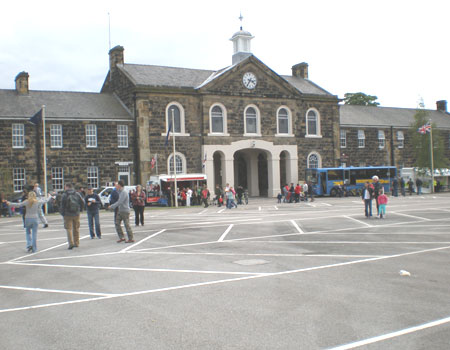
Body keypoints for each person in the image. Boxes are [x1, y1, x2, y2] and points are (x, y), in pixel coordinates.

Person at [60, 183, 85, 250]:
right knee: (76, 228)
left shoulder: (64, 195)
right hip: (76, 213)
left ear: (67, 187)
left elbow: (62, 205)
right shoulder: (76, 194)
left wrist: (62, 213)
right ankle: (76, 243)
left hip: (67, 214)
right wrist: (80, 210)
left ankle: (71, 243)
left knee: (69, 229)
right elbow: (82, 202)